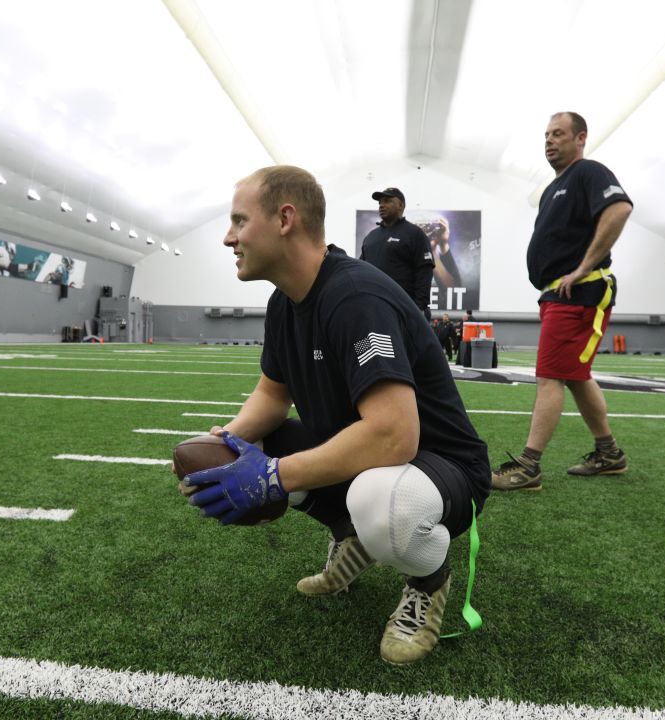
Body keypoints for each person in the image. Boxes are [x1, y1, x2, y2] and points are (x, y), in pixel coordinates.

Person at [184, 166, 490, 665]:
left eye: (239, 221)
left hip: (442, 468)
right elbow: (272, 394)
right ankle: (353, 538)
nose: (228, 237)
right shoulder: (284, 302)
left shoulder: (355, 297)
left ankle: (428, 583)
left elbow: (395, 437)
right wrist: (225, 444)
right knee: (261, 445)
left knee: (382, 499)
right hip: (376, 455)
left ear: (285, 218)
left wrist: (273, 477)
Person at [493, 111, 634, 491]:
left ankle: (529, 466)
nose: (549, 141)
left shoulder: (589, 172)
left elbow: (619, 209)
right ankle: (609, 455)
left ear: (580, 138)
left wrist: (582, 267)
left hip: (581, 290)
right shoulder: (556, 187)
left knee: (550, 377)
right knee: (574, 376)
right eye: (546, 135)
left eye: (558, 134)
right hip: (558, 294)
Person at [358, 187, 435, 319]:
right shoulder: (371, 237)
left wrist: (418, 308)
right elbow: (361, 271)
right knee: (371, 341)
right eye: (380, 202)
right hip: (373, 310)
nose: (382, 205)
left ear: (401, 205)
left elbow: (424, 270)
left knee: (402, 341)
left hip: (403, 312)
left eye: (387, 201)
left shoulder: (415, 234)